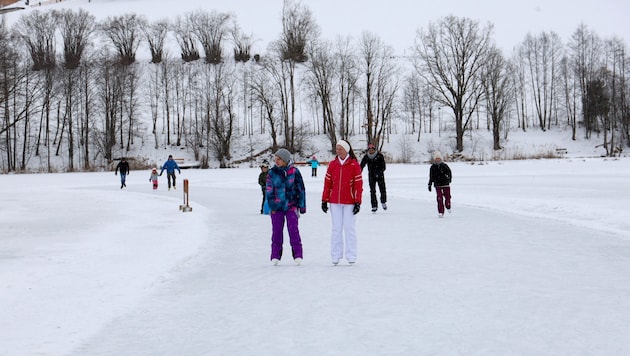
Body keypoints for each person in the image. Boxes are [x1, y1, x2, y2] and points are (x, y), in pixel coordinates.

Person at [321, 140, 363, 265]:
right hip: (335, 201)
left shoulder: (354, 165)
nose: (338, 151)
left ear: (346, 150)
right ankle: (335, 255)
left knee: (349, 228)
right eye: (337, 149)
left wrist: (357, 201)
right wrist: (324, 200)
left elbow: (358, 185)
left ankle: (351, 255)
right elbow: (327, 184)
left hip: (350, 201)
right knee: (336, 228)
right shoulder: (333, 164)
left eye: (340, 149)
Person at [266, 148, 306, 266]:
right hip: (276, 208)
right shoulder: (272, 173)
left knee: (293, 231)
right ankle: (275, 255)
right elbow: (269, 191)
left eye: (279, 159)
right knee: (276, 232)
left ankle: (298, 254)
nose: (277, 161)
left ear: (285, 160)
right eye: (275, 159)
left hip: (291, 206)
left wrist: (302, 206)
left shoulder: (294, 172)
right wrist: (272, 205)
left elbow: (301, 189)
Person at [360, 143, 387, 212]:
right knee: (372, 191)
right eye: (370, 149)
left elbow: (383, 167)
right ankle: (374, 205)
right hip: (371, 176)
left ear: (374, 150)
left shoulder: (379, 156)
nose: (371, 150)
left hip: (380, 175)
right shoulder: (366, 157)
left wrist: (379, 173)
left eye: (372, 149)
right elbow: (361, 165)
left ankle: (383, 202)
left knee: (382, 189)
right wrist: (358, 172)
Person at [428, 151, 452, 218]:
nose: (437, 159)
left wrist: (449, 179)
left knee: (447, 197)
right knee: (439, 198)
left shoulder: (444, 166)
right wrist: (429, 184)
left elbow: (449, 173)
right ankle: (441, 212)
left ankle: (448, 206)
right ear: (434, 159)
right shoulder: (433, 167)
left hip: (445, 184)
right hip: (437, 184)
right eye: (436, 158)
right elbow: (431, 176)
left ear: (441, 159)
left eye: (439, 158)